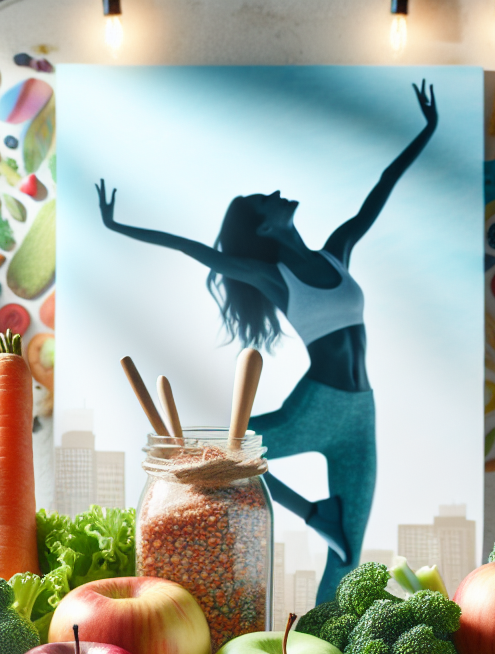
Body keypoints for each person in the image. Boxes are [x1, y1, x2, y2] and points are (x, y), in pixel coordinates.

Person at [97, 81, 438, 602]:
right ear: (263, 225)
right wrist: (119, 226)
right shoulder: (274, 277)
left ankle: (330, 651)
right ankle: (310, 512)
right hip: (319, 404)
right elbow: (199, 253)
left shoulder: (335, 252)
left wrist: (427, 130)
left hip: (361, 414)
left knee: (347, 553)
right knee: (223, 454)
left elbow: (382, 188)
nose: (278, 194)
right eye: (266, 200)